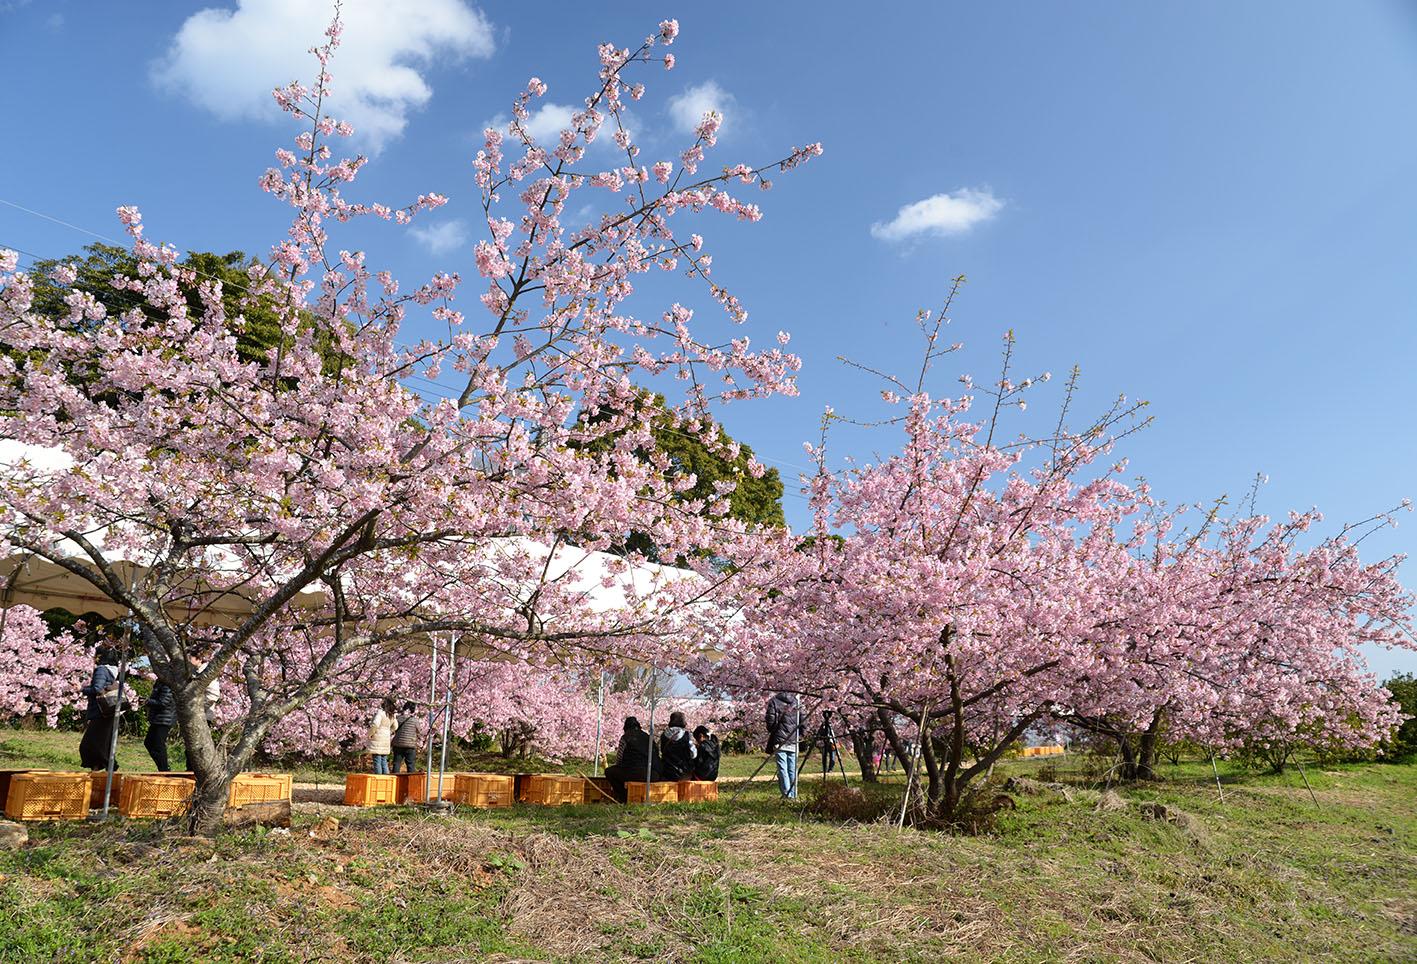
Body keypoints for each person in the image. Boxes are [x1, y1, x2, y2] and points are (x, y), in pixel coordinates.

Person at [79, 646, 122, 770]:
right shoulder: (112, 671)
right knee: (102, 744)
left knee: (89, 745)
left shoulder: (101, 670)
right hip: (108, 711)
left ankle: (109, 768)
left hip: (100, 712)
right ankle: (98, 772)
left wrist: (82, 689)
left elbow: (97, 689)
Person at [604, 716, 660, 803]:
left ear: (625, 727)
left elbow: (619, 759)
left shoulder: (625, 737)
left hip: (634, 772)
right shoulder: (649, 737)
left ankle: (623, 797)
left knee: (609, 772)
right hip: (652, 774)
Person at [765, 691, 804, 800]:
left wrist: (773, 730)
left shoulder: (774, 701)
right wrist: (800, 734)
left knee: (783, 768)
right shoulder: (796, 701)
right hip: (793, 739)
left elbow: (770, 721)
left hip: (779, 739)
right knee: (792, 769)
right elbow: (803, 720)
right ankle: (793, 794)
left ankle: (787, 795)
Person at [144, 674, 177, 771]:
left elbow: (163, 702)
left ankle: (164, 769)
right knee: (149, 742)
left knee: (158, 744)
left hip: (165, 718)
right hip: (158, 718)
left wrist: (147, 701)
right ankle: (163, 768)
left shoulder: (168, 683)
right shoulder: (160, 682)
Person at [658, 711, 696, 781]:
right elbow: (693, 754)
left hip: (667, 770)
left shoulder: (663, 735)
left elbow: (662, 750)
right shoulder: (687, 735)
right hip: (683, 772)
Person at [368, 697, 397, 774]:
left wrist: (370, 734)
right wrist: (389, 731)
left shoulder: (380, 712)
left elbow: (375, 724)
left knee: (377, 760)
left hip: (378, 737)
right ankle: (386, 779)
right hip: (386, 738)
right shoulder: (392, 715)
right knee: (384, 760)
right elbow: (395, 726)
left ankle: (379, 779)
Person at [391, 700, 421, 773]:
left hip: (398, 744)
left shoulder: (398, 718)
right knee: (410, 764)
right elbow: (419, 731)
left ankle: (395, 780)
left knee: (396, 763)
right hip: (410, 745)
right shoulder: (415, 720)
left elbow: (393, 728)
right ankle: (411, 782)